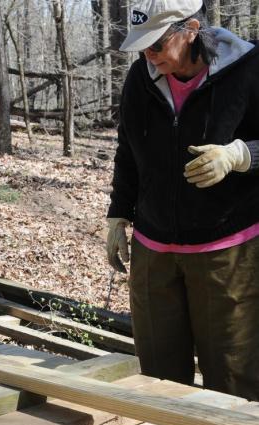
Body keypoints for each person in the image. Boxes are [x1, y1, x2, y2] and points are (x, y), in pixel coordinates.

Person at [106, 0, 259, 401]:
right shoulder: (142, 77)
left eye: (156, 44)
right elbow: (128, 149)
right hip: (154, 250)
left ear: (191, 29)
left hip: (226, 251)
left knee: (231, 382)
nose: (148, 56)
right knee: (158, 381)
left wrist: (240, 155)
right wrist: (119, 215)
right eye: (143, 47)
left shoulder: (248, 69)